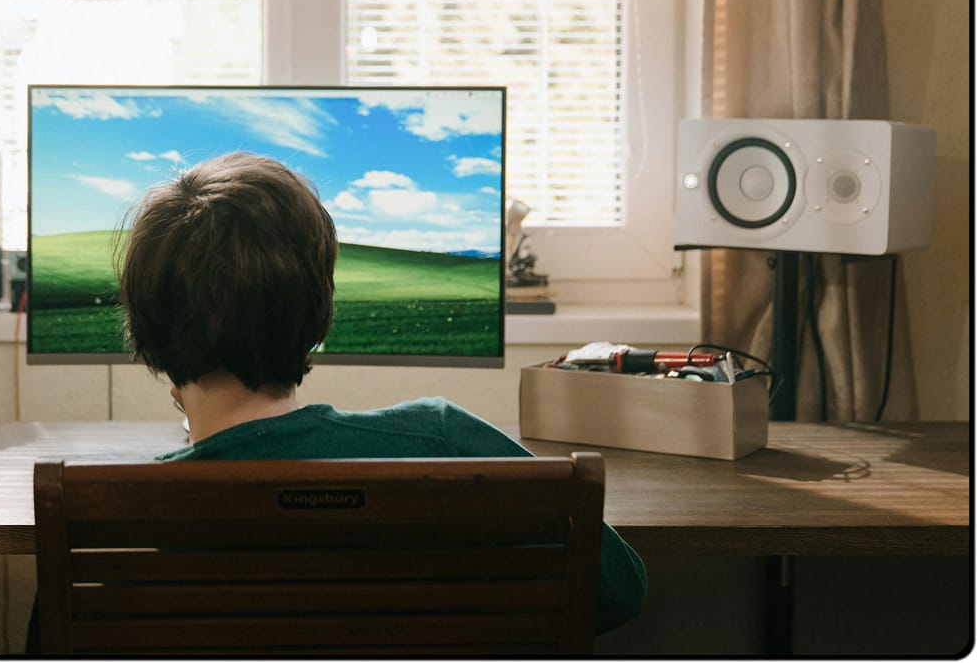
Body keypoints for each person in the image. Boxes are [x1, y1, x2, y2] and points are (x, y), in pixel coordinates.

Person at [116, 150, 647, 633]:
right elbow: (617, 589)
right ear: (318, 311)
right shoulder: (441, 441)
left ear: (146, 324)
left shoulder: (119, 510)